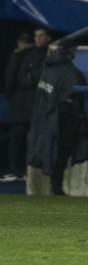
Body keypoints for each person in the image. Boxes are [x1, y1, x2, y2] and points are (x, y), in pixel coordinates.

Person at [27, 39, 88, 196]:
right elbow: (82, 97)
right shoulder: (70, 71)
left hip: (45, 117)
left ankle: (55, 185)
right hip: (63, 119)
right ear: (70, 51)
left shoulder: (48, 68)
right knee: (60, 152)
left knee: (51, 151)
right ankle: (56, 186)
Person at [1, 32, 36, 182]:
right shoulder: (39, 54)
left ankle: (16, 170)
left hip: (19, 105)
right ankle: (30, 170)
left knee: (17, 139)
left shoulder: (16, 56)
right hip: (33, 105)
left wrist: (11, 96)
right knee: (31, 138)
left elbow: (10, 80)